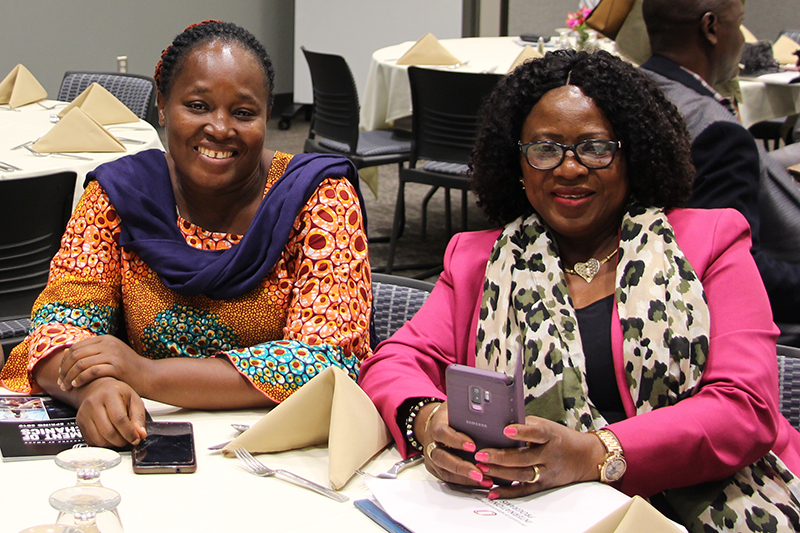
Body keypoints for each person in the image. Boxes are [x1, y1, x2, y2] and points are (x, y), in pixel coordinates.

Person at [359, 49, 800, 532]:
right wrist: (427, 422)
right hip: (530, 511)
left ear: (633, 153)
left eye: (594, 148)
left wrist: (595, 453)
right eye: (545, 149)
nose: (569, 169)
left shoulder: (711, 242)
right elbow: (395, 360)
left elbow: (745, 408)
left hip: (705, 501)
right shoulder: (479, 260)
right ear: (519, 164)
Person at [0, 21, 372, 448]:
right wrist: (94, 389)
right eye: (197, 105)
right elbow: (58, 329)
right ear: (162, 106)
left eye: (244, 113)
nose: (219, 128)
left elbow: (325, 362)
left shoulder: (315, 198)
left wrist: (145, 374)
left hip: (271, 444)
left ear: (267, 116)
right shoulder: (122, 194)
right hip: (142, 437)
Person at [639, 0, 800, 346]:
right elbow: (734, 271)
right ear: (711, 28)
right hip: (767, 329)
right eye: (739, 23)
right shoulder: (714, 132)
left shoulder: (636, 90)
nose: (741, 40)